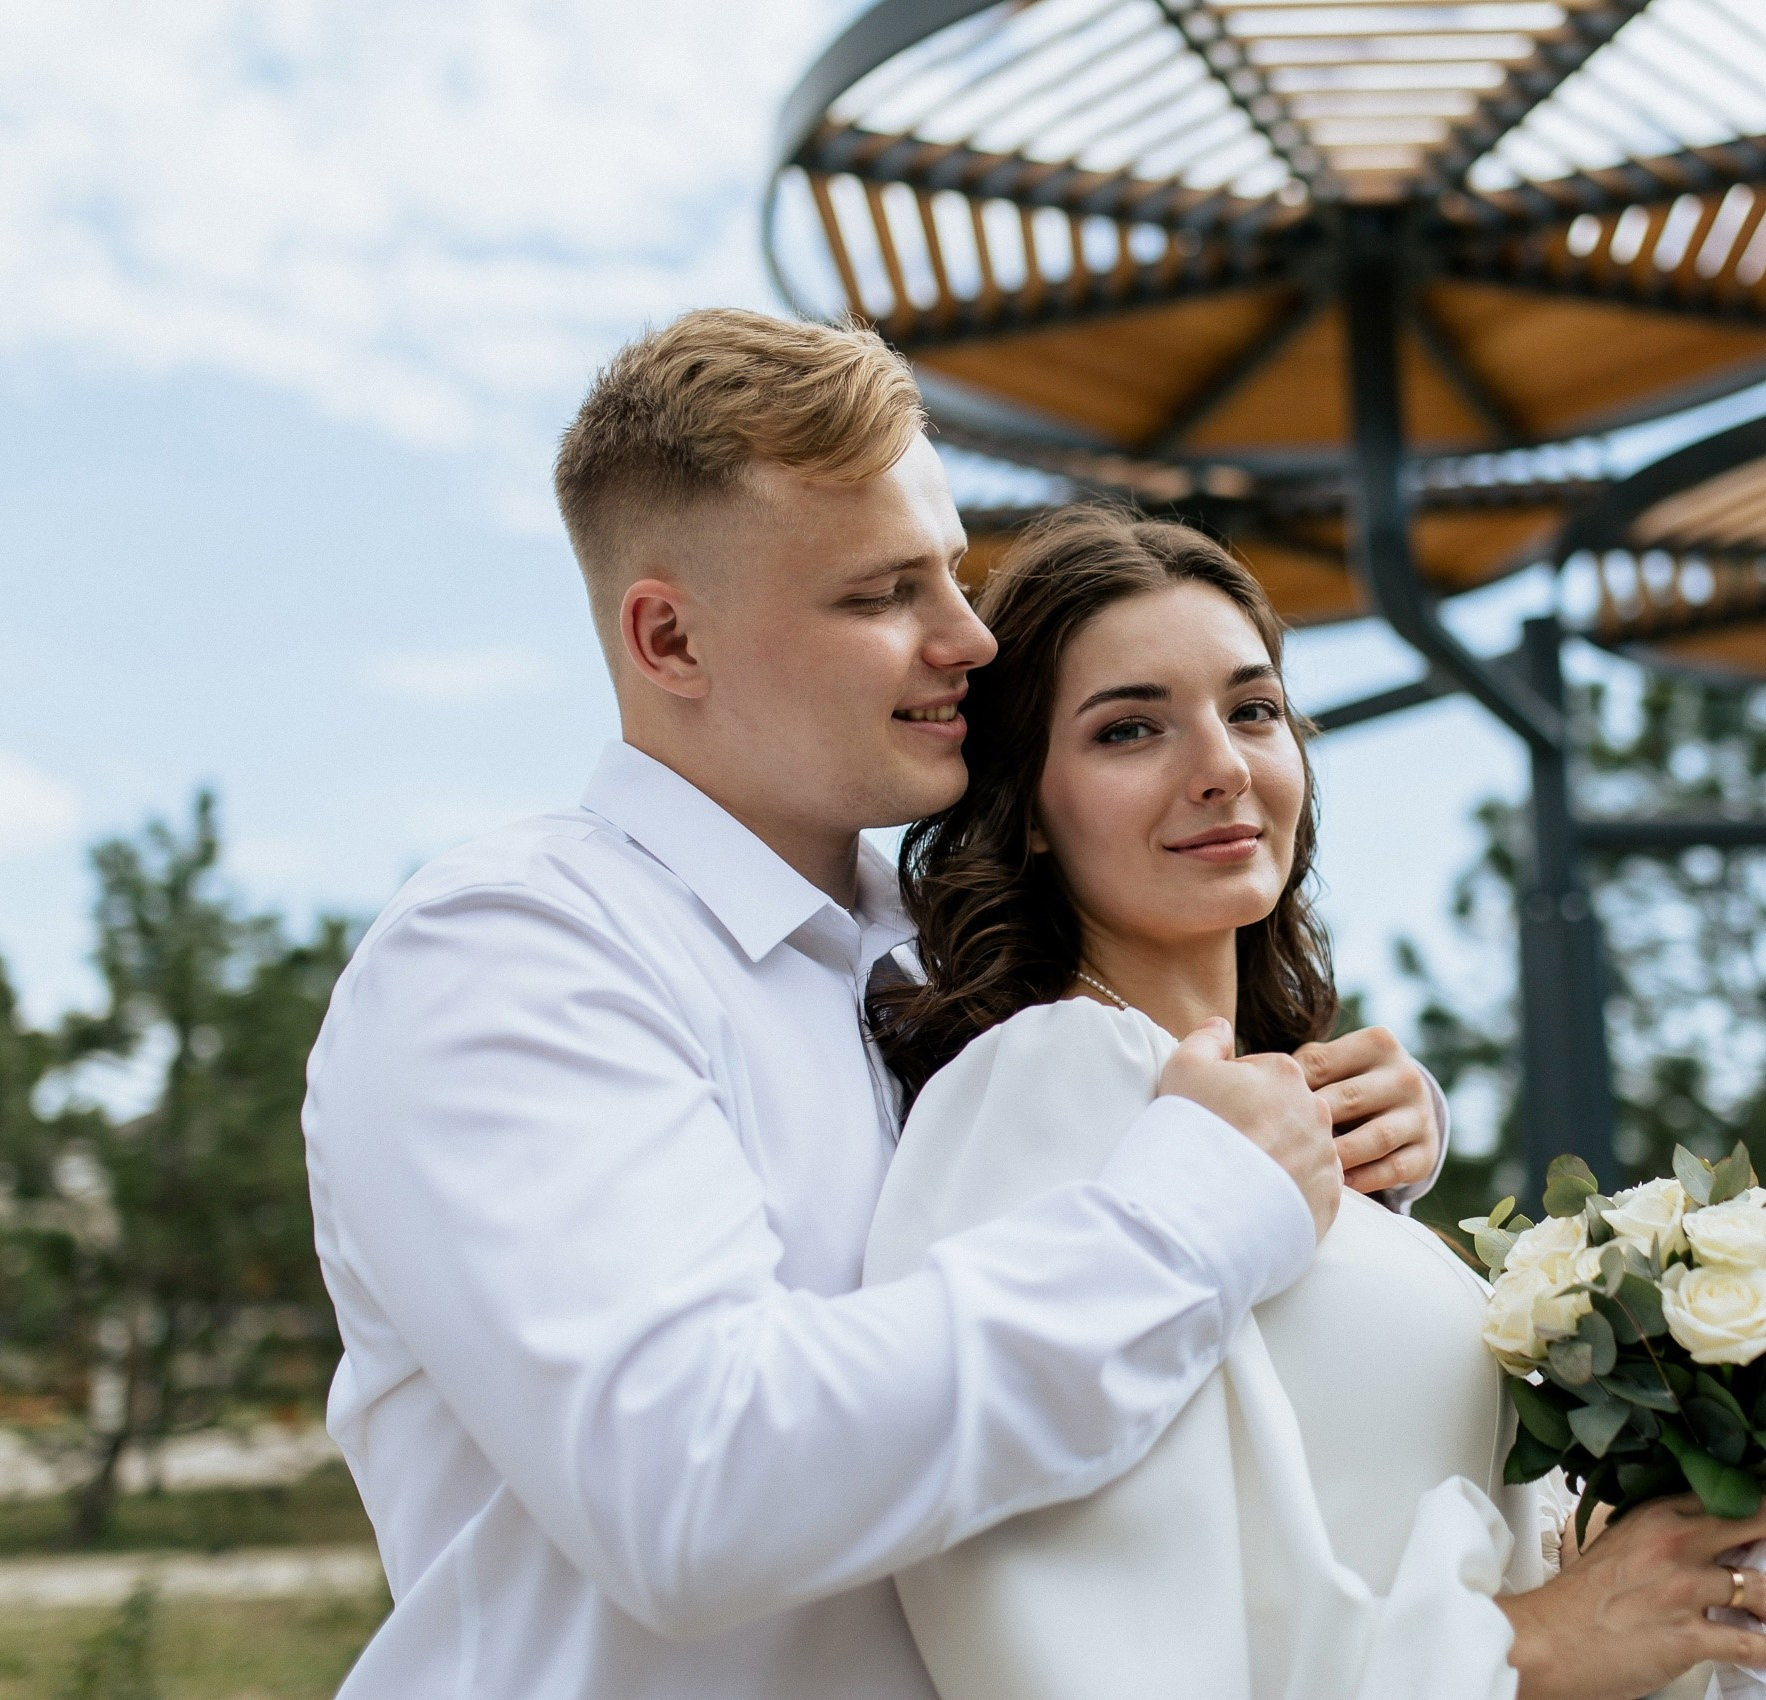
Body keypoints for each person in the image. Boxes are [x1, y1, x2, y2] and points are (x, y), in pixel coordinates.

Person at [302, 309, 1449, 1699]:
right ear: (668, 639)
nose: (967, 637)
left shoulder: (959, 958)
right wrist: (1204, 1207)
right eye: (881, 596)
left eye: (953, 577)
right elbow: (694, 1489)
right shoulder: (515, 955)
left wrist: (1351, 1166)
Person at [863, 505, 1766, 1700]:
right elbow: (1088, 1637)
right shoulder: (1050, 1081)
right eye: (1129, 728)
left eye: (1253, 708)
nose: (1221, 765)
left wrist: (1674, 1540)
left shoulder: (1302, 1124)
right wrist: (1538, 1643)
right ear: (1031, 811)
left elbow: (1388, 1510)